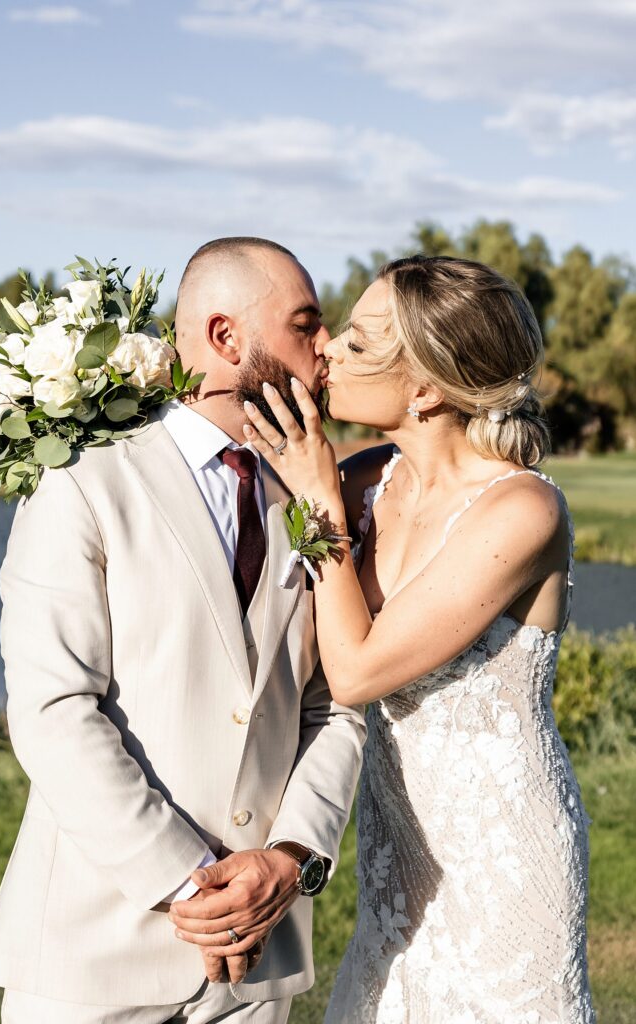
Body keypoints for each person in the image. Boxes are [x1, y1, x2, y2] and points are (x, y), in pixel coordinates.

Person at [0, 237, 366, 1024]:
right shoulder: (82, 479)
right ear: (225, 339)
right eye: (304, 323)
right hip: (94, 951)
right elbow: (54, 712)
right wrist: (192, 886)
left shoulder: (314, 490)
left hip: (258, 953)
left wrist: (290, 861)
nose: (326, 345)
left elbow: (336, 703)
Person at [243, 254, 595, 1023]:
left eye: (360, 344)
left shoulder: (520, 511)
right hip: (397, 845)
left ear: (427, 389)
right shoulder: (366, 479)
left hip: (502, 850)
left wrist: (315, 499)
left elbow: (358, 672)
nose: (329, 347)